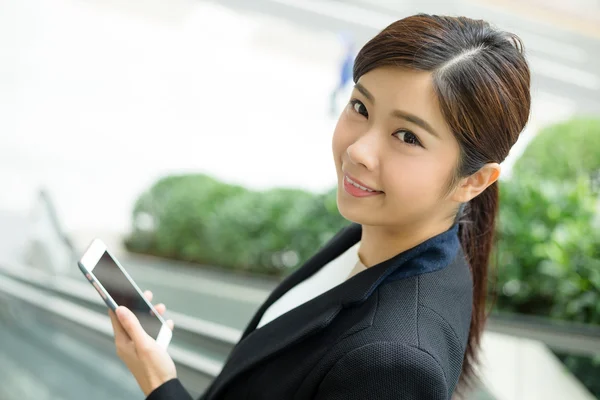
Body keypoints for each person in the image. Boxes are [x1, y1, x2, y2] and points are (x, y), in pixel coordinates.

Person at [108, 14, 531, 400]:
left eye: (407, 137)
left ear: (473, 181)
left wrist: (159, 383)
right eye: (361, 107)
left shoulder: (394, 366)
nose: (359, 150)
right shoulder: (379, 236)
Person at [329, 32, 356, 116]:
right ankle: (334, 110)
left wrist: (344, 83)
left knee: (337, 96)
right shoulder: (349, 57)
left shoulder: (349, 59)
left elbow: (347, 72)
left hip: (345, 82)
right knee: (335, 96)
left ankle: (335, 111)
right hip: (344, 82)